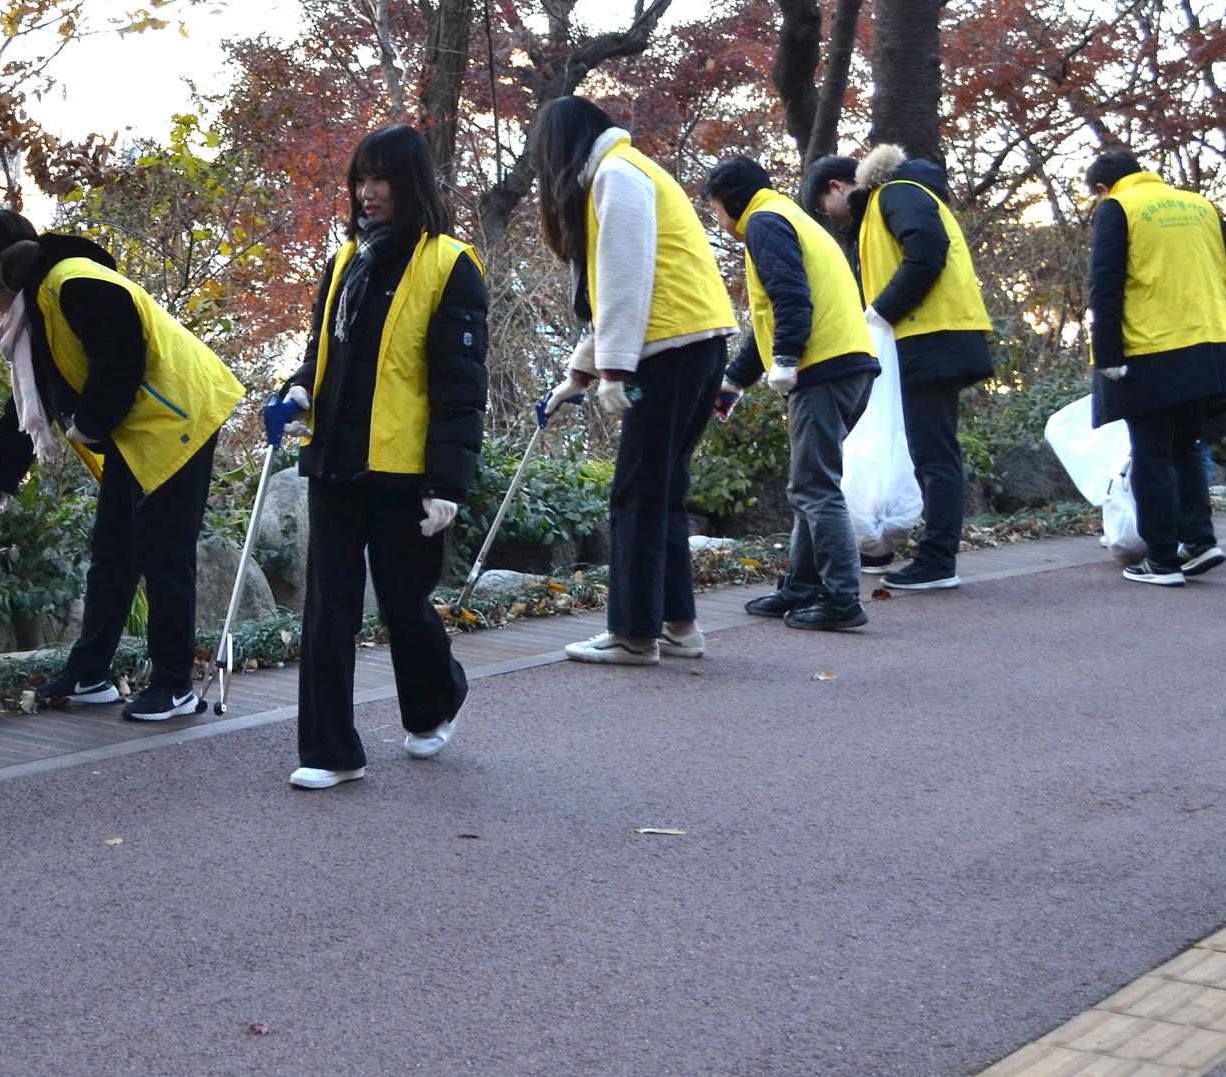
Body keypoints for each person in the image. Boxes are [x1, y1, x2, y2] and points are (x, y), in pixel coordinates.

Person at [0, 210, 243, 723]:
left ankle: (174, 686)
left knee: (163, 552)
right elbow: (32, 400)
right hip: (140, 429)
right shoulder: (39, 306)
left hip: (180, 416)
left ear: (7, 267)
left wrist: (89, 424)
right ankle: (90, 674)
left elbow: (121, 359)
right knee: (112, 551)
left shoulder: (76, 283)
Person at [275, 125, 486, 791]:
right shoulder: (344, 262)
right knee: (327, 607)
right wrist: (297, 392)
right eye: (360, 178)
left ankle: (435, 698)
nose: (367, 191)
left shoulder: (451, 264)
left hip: (404, 470)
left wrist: (448, 480)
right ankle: (332, 749)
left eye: (381, 177)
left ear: (411, 182)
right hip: (334, 459)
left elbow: (461, 385)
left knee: (404, 601)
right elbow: (321, 352)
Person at [530, 99, 736, 666]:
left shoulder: (615, 176)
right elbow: (625, 282)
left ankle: (633, 635)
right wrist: (582, 369)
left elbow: (624, 278)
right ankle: (678, 626)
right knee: (662, 490)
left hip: (668, 351)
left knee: (635, 492)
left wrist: (614, 369)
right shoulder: (632, 168)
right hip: (696, 344)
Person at [799, 146, 993, 591]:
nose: (830, 217)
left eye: (825, 207)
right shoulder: (882, 210)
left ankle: (939, 560)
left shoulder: (896, 192)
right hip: (930, 334)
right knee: (916, 445)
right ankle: (888, 549)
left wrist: (882, 310)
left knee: (934, 452)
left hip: (932, 336)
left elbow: (926, 252)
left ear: (838, 187)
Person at [702, 157, 879, 632]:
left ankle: (843, 600)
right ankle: (800, 589)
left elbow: (790, 297)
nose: (719, 222)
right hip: (849, 363)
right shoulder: (788, 216)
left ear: (733, 203)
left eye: (717, 210)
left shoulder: (764, 221)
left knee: (814, 487)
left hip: (822, 368)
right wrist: (734, 380)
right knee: (809, 483)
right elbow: (771, 314)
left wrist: (786, 359)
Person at [1083, 150, 1226, 587]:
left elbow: (1104, 284)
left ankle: (1160, 559)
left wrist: (1107, 358)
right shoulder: (1198, 204)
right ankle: (1198, 542)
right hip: (1210, 345)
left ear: (1104, 188)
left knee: (1151, 452)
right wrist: (1210, 298)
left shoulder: (1118, 209)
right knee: (1185, 445)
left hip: (1152, 349)